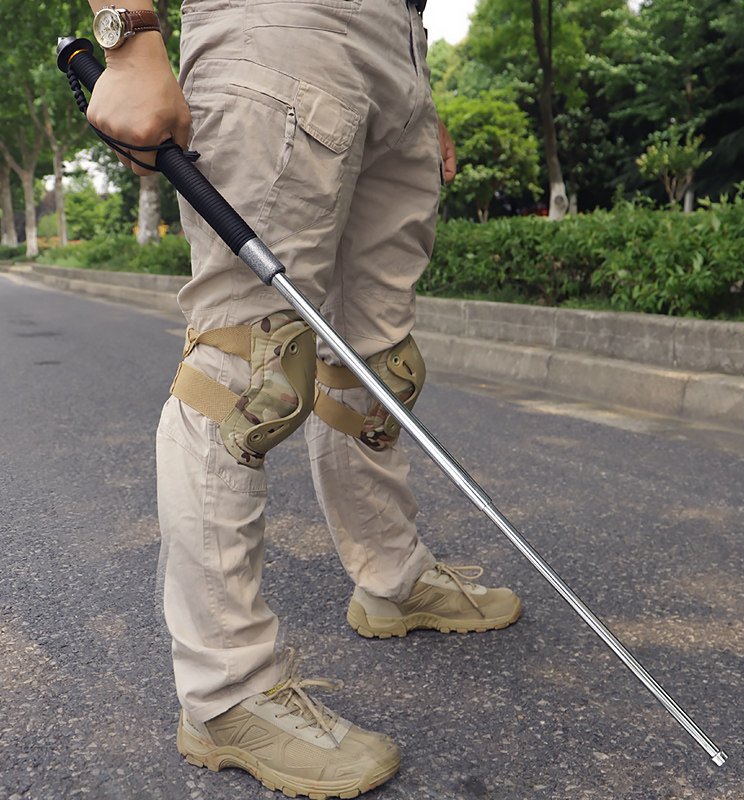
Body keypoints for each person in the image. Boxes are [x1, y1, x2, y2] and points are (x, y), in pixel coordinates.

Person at [86, 1, 522, 797]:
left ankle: (392, 580)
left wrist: (413, 83)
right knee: (249, 369)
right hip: (279, 30)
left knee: (373, 363)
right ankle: (228, 695)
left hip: (398, 54)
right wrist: (128, 36)